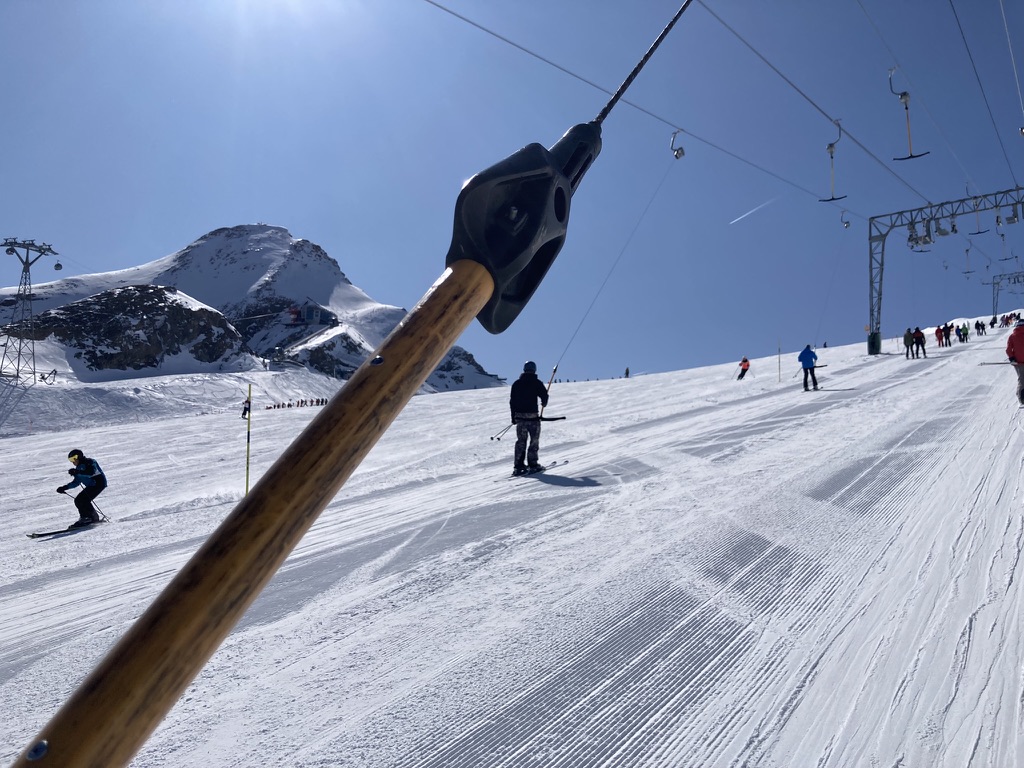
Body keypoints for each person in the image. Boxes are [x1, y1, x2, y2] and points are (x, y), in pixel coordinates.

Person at [509, 360, 549, 475]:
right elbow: (544, 396)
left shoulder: (516, 384)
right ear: (534, 370)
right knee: (534, 441)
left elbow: (512, 402)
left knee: (521, 441)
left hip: (520, 417)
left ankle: (519, 466)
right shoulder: (536, 382)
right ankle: (533, 464)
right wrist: (544, 403)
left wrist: (513, 417)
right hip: (532, 417)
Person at [57, 448, 107, 527]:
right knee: (78, 500)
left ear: (79, 457)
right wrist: (64, 487)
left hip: (98, 484)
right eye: (70, 460)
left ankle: (88, 518)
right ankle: (90, 518)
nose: (72, 461)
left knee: (83, 500)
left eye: (74, 458)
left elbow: (91, 472)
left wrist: (78, 472)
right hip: (91, 486)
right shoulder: (78, 468)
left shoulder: (90, 462)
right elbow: (76, 482)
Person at [1006, 319, 1024, 405]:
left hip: (1018, 362)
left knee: (1021, 380)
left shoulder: (1012, 336)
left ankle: (1021, 399)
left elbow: (1009, 349)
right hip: (1019, 362)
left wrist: (1012, 359)